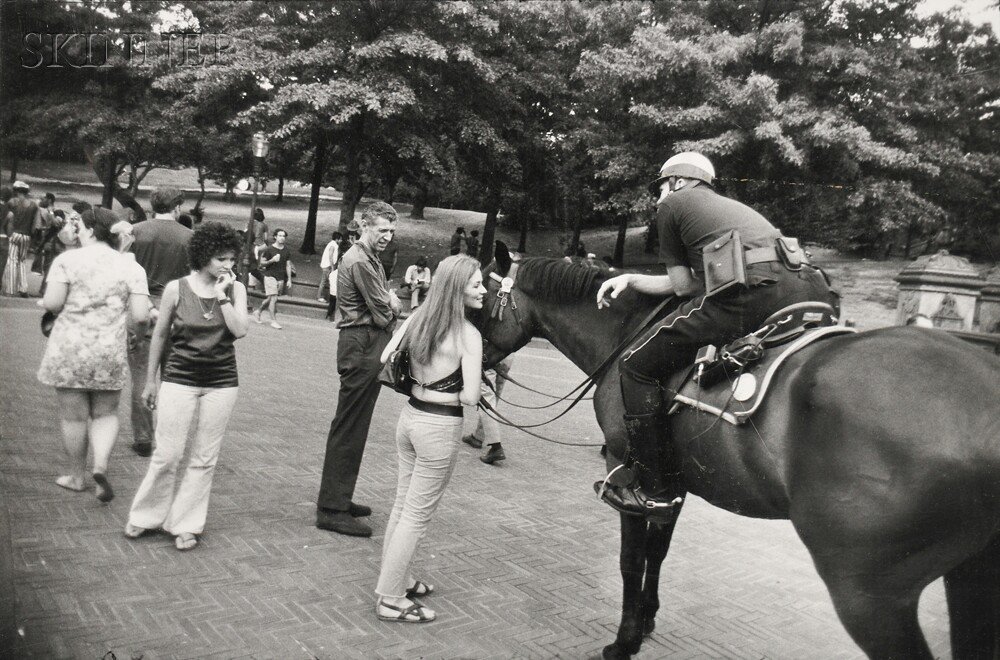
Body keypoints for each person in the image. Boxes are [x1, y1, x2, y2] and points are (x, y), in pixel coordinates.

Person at [594, 152, 835, 517]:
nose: (658, 197)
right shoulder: (727, 210)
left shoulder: (674, 204)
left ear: (676, 181)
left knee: (636, 366)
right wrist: (630, 278)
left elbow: (682, 287)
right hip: (810, 288)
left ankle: (655, 492)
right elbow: (691, 283)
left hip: (755, 292)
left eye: (660, 187)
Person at [374, 254, 485, 623]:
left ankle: (399, 579)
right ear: (457, 289)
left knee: (403, 506)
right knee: (416, 516)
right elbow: (470, 398)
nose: (484, 290)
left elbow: (389, 357)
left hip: (409, 419)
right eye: (476, 284)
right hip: (439, 427)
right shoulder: (468, 335)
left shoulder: (417, 318)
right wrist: (475, 382)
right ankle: (390, 598)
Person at [125, 222, 248, 551]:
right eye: (221, 258)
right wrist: (150, 379)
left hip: (221, 382)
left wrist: (223, 296)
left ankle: (186, 523)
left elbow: (240, 331)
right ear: (204, 255)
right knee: (167, 453)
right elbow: (160, 335)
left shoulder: (235, 290)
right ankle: (146, 515)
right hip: (179, 378)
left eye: (232, 259)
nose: (228, 266)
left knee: (205, 458)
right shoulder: (176, 289)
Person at [36, 208, 150, 502]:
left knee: (73, 418)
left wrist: (49, 303)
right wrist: (136, 339)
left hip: (69, 349)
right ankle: (100, 465)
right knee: (106, 414)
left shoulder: (67, 260)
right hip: (108, 350)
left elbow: (53, 302)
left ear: (88, 229)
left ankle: (77, 476)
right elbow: (140, 316)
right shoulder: (132, 268)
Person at [316, 201, 402, 537]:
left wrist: (389, 302)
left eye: (391, 231)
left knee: (354, 423)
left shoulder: (366, 258)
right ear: (363, 225)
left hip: (366, 341)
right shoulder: (360, 260)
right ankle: (332, 508)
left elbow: (384, 306)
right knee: (350, 425)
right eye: (382, 230)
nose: (387, 236)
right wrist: (392, 302)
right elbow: (384, 312)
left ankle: (338, 497)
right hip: (362, 341)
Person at [129, 187, 193, 457]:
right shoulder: (190, 237)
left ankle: (143, 437)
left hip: (142, 305)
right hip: (178, 308)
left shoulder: (136, 231)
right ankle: (168, 436)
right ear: (177, 207)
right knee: (173, 378)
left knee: (142, 375)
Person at [462, 355, 514, 465]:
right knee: (494, 397)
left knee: (487, 398)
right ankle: (478, 436)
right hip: (508, 356)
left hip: (490, 356)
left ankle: (496, 446)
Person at [2, 181, 40, 297]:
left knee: (12, 261)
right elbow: (35, 226)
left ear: (17, 191)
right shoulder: (33, 205)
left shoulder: (12, 202)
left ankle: (11, 289)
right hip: (26, 236)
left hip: (14, 234)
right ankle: (23, 288)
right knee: (22, 261)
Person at [252, 228, 293, 329]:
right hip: (269, 276)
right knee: (274, 298)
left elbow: (288, 265)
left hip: (280, 277)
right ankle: (273, 321)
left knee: (271, 298)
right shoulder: (269, 249)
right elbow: (262, 263)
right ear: (275, 237)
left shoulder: (286, 250)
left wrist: (289, 279)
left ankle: (258, 311)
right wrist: (272, 260)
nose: (282, 238)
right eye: (280, 236)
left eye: (283, 236)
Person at [318, 231, 342, 302]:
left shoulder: (333, 244)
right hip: (327, 266)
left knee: (326, 281)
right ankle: (319, 296)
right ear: (337, 239)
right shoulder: (333, 245)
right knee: (324, 281)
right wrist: (332, 267)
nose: (341, 241)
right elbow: (330, 257)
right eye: (340, 239)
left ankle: (325, 296)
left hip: (327, 266)